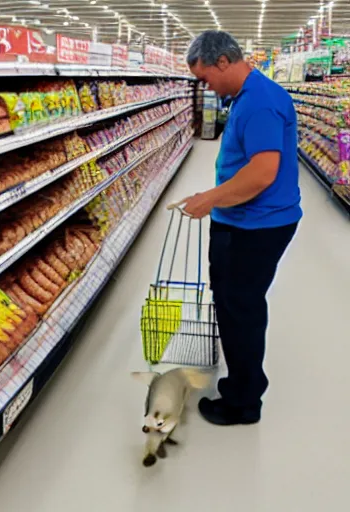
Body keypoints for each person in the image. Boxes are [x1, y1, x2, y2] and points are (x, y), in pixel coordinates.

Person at [169, 30, 302, 426]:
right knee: (234, 304)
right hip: (244, 222)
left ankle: (242, 402)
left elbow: (262, 174)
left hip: (255, 227)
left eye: (205, 78)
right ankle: (242, 385)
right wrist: (217, 197)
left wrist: (210, 199)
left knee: (240, 309)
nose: (205, 86)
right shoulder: (249, 95)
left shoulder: (260, 102)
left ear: (223, 62)